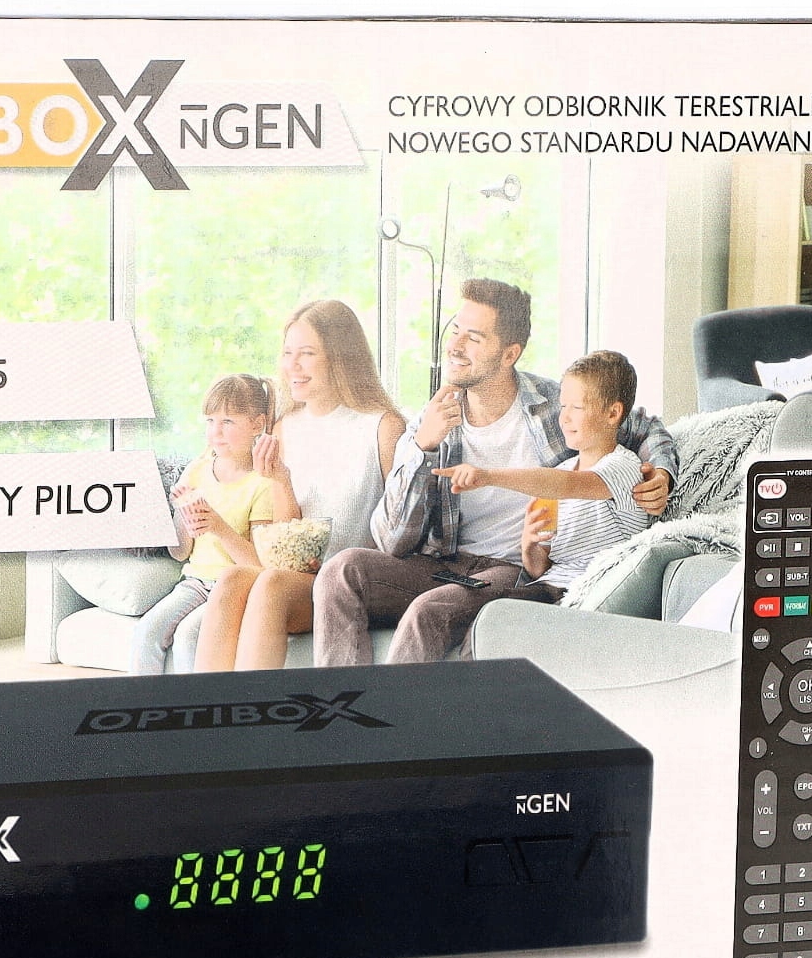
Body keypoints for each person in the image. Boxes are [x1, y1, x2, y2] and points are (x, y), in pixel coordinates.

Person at [313, 278, 679, 665]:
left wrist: (662, 473)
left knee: (431, 610)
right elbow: (391, 542)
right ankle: (346, 701)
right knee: (341, 572)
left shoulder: (555, 405)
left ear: (509, 354)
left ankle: (406, 707)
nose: (455, 346)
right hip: (441, 563)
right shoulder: (431, 421)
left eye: (473, 337)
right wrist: (423, 447)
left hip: (509, 571)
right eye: (455, 330)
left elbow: (645, 426)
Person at [194, 299, 404, 671]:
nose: (292, 365)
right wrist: (280, 480)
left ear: (341, 358)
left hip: (353, 582)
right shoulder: (284, 428)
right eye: (288, 353)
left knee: (272, 585)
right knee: (231, 580)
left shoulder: (383, 426)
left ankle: (258, 705)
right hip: (300, 576)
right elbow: (285, 537)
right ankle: (210, 703)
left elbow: (403, 531)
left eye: (306, 354)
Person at [437, 351, 653, 600]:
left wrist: (487, 476)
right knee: (481, 609)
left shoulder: (624, 467)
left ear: (613, 413)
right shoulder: (563, 470)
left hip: (588, 592)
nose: (565, 417)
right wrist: (530, 546)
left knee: (489, 611)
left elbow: (567, 485)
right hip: (547, 588)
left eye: (577, 407)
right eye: (563, 406)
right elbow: (539, 569)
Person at [128, 374, 277, 674]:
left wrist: (218, 527)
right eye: (210, 421)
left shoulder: (263, 485)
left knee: (188, 638)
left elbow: (259, 566)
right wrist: (182, 514)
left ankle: (193, 704)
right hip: (194, 584)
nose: (215, 432)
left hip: (234, 591)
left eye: (227, 421)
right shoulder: (196, 471)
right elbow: (180, 553)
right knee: (146, 632)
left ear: (257, 424)